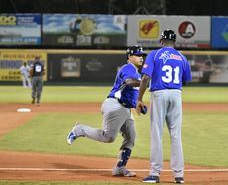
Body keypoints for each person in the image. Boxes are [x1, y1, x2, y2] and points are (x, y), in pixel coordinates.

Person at [66, 45, 145, 177]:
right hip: (115, 106)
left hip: (125, 109)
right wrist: (145, 82)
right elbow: (129, 82)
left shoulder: (137, 73)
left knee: (131, 137)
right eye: (138, 55)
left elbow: (131, 93)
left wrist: (139, 104)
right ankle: (79, 130)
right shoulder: (128, 68)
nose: (141, 57)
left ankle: (120, 168)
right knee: (108, 137)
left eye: (142, 55)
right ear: (129, 57)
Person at [136, 29, 192, 184]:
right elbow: (186, 79)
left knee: (156, 133)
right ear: (174, 42)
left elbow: (146, 77)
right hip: (176, 94)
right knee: (176, 135)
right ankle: (179, 176)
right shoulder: (181, 57)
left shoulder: (155, 54)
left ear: (161, 41)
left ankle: (154, 174)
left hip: (159, 93)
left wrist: (139, 98)